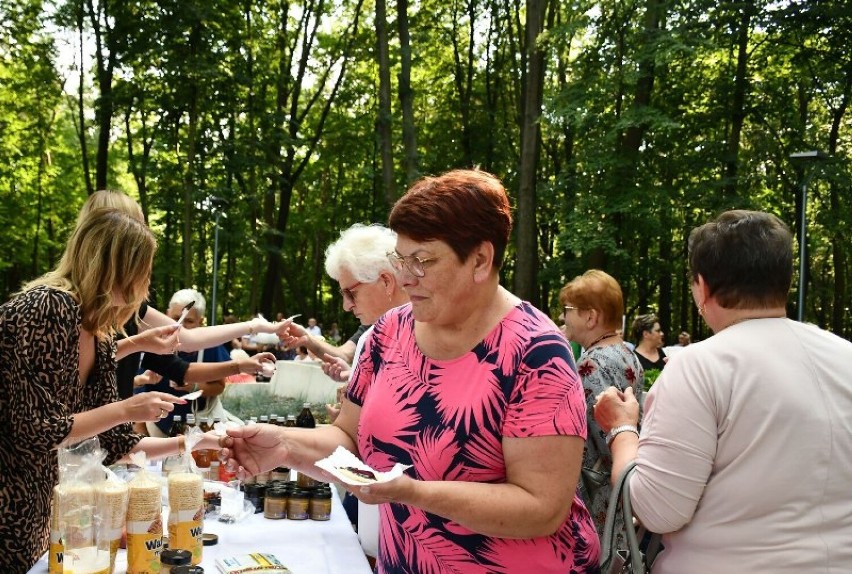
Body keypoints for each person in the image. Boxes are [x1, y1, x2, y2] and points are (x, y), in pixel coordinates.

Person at [221, 169, 600, 573]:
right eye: (401, 259)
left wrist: (416, 493)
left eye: (422, 261)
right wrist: (284, 446)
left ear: (480, 260)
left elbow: (541, 508)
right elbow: (348, 437)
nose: (404, 277)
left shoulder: (535, 353)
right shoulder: (390, 332)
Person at [593, 210, 852, 573]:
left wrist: (621, 430)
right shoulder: (845, 355)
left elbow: (657, 509)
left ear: (702, 286)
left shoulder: (699, 366)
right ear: (787, 280)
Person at [0, 208, 219, 571]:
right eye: (144, 272)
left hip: (39, 519)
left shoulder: (99, 333)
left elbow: (113, 444)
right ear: (117, 269)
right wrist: (129, 408)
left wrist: (197, 442)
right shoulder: (49, 307)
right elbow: (37, 431)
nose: (147, 285)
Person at [74, 190, 296, 398]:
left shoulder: (128, 309)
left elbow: (186, 345)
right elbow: (64, 414)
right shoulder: (61, 306)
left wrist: (254, 328)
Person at [559, 269, 644, 536]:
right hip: (617, 489)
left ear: (590, 317)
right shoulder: (627, 354)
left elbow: (594, 438)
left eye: (568, 309)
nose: (563, 317)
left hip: (593, 495)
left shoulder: (590, 364)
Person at [138, 288, 276, 437]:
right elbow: (138, 387)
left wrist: (194, 386)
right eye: (176, 318)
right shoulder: (153, 343)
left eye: (189, 321)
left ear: (200, 321)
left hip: (199, 427)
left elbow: (219, 386)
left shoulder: (211, 346)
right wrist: (139, 428)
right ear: (166, 315)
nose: (180, 326)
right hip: (158, 426)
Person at [315, 223, 408, 384]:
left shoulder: (436, 335)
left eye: (351, 293)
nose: (346, 306)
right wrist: (355, 378)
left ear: (386, 281)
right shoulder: (370, 338)